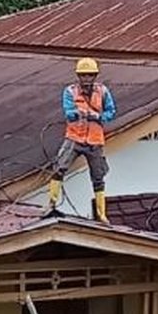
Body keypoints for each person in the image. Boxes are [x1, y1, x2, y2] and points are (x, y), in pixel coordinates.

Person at [46, 57, 117, 223]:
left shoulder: (103, 91)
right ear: (78, 76)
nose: (86, 78)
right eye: (83, 75)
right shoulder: (70, 91)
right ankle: (51, 204)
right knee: (59, 168)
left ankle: (101, 214)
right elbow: (68, 112)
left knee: (98, 177)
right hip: (74, 138)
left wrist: (97, 116)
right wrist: (78, 113)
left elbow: (111, 112)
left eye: (89, 75)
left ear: (95, 76)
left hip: (95, 140)